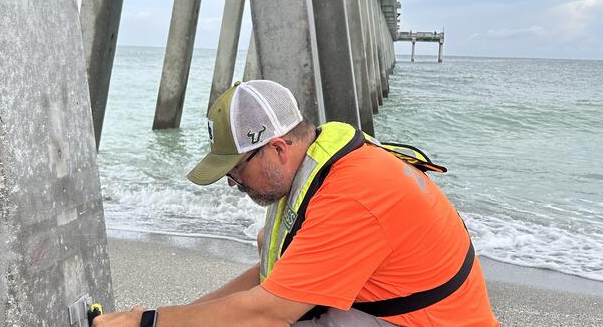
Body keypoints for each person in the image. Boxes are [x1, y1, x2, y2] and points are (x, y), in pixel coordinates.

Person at [94, 80, 498, 326]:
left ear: (276, 148)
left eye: (236, 169)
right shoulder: (315, 167)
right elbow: (273, 277)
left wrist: (145, 323)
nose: (233, 183)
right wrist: (175, 315)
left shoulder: (352, 195)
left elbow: (267, 312)